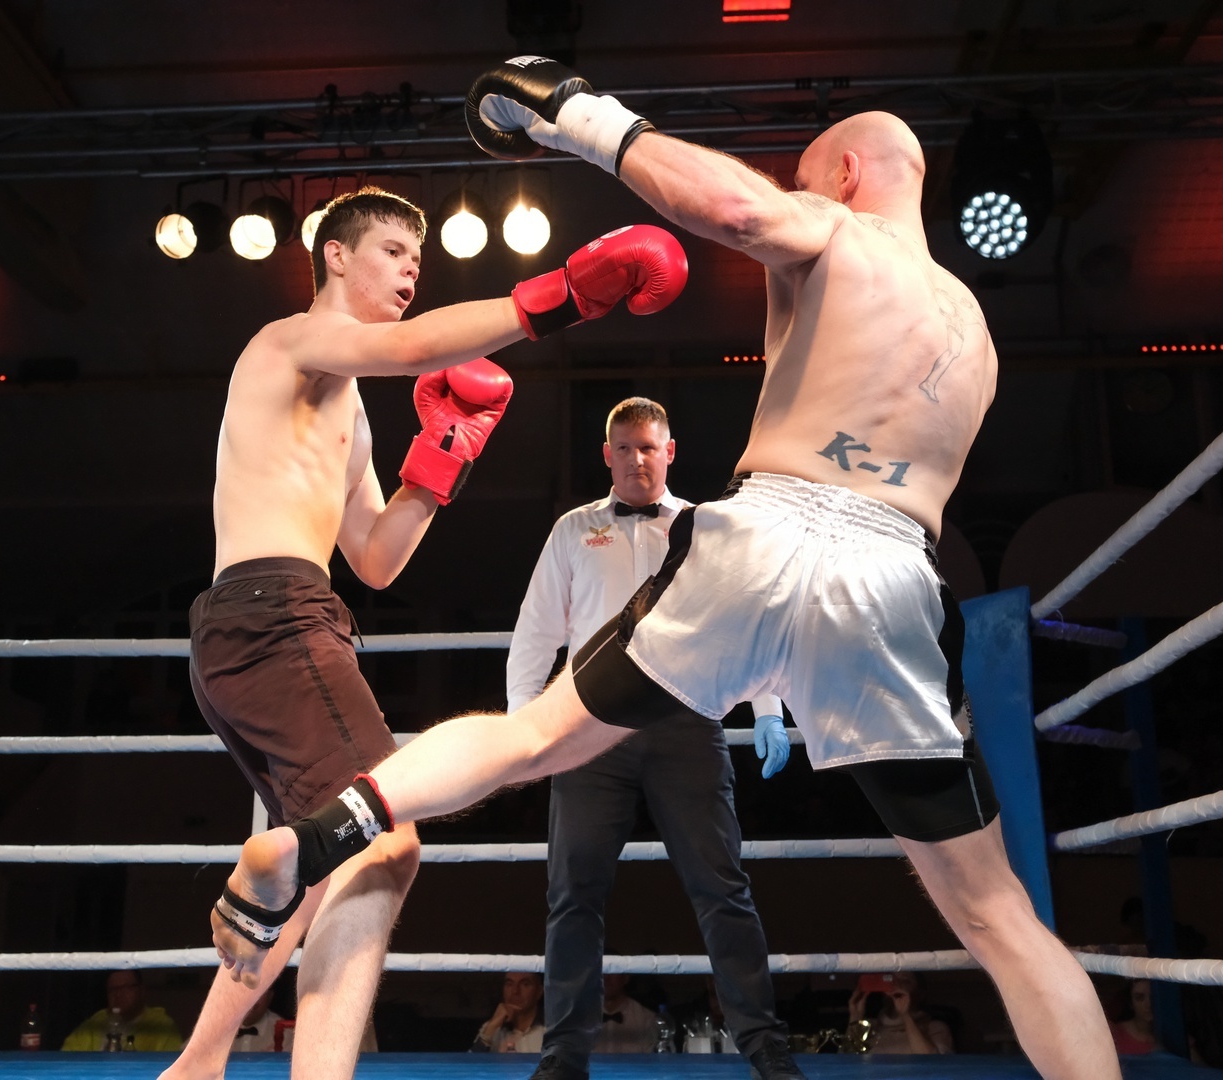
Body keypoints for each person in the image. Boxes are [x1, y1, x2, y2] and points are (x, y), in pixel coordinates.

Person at [211, 61, 1123, 1080]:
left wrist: (579, 119)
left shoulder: (839, 231)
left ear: (847, 175)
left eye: (809, 180)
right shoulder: (977, 337)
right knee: (1000, 914)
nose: (799, 197)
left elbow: (735, 210)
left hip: (767, 535)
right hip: (896, 573)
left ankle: (321, 838)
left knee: (531, 741)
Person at [161, 185, 689, 1080]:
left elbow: (375, 558)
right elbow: (410, 348)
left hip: (268, 623)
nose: (412, 271)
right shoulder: (288, 341)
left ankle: (199, 1065)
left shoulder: (348, 406)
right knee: (384, 841)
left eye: (419, 259)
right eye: (394, 252)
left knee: (323, 855)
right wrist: (563, 293)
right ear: (336, 255)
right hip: (275, 616)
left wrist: (444, 455)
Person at [506, 395, 798, 1080]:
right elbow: (536, 632)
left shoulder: (707, 527)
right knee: (572, 893)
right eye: (625, 447)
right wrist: (523, 732)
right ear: (606, 456)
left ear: (669, 453)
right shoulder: (573, 531)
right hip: (587, 727)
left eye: (648, 447)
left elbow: (743, 624)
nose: (637, 459)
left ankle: (764, 1044)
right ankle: (563, 1054)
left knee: (722, 886)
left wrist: (768, 708)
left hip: (685, 720)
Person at [62, 970, 182, 1052]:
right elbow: (67, 1056)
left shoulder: (161, 1025)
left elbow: (174, 1068)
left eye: (126, 988)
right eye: (112, 989)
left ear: (141, 991)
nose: (118, 994)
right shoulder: (95, 1023)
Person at [847, 972, 953, 1055]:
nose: (896, 986)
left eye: (905, 981)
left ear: (921, 994)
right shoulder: (869, 1027)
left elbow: (933, 1064)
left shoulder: (935, 1028)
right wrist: (855, 1017)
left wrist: (906, 1016)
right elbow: (848, 1061)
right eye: (891, 980)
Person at [472, 972, 548, 1053]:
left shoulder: (551, 1030)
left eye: (525, 984)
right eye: (509, 984)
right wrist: (491, 1028)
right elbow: (470, 1060)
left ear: (539, 991)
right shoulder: (491, 1028)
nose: (515, 991)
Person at [593, 974, 658, 1054]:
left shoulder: (647, 1020)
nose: (606, 978)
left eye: (613, 972)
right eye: (602, 972)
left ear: (626, 978)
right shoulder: (581, 1019)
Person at [1108, 978, 1161, 1056]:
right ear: (1131, 1003)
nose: (1148, 1004)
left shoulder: (1171, 1037)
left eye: (1153, 997)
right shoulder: (1115, 1034)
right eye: (1139, 998)